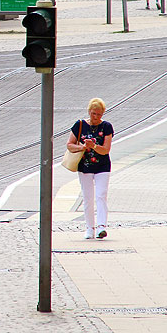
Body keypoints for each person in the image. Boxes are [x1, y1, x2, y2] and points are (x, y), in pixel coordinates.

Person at [66, 98, 114, 240]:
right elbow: (69, 145)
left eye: (99, 114)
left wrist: (93, 146)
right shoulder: (80, 125)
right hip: (85, 167)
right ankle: (89, 228)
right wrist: (82, 147)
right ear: (89, 112)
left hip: (102, 166)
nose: (96, 117)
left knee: (101, 195)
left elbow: (106, 150)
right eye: (94, 114)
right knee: (87, 198)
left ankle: (101, 227)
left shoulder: (106, 127)